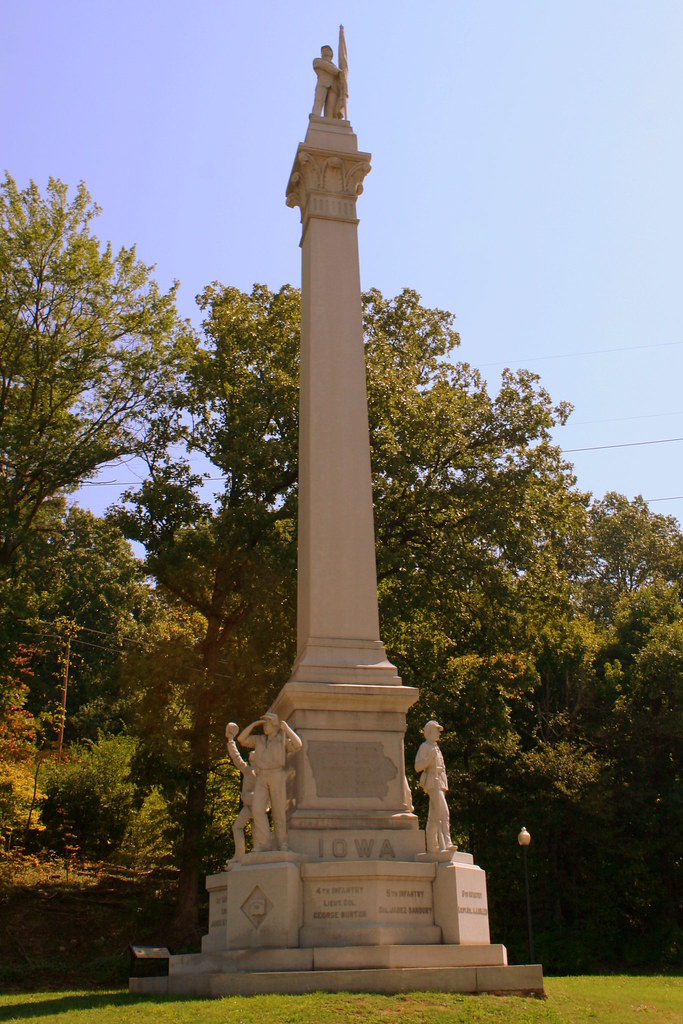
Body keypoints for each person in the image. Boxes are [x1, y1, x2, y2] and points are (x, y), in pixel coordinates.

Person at [238, 712, 302, 852]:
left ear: (274, 725)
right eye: (264, 723)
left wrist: (287, 729)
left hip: (276, 774)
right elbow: (242, 739)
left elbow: (298, 744)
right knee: (257, 809)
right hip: (262, 776)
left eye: (267, 723)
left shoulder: (281, 739)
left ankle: (282, 843)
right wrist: (254, 725)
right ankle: (264, 843)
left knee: (278, 812)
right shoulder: (259, 740)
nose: (264, 726)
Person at [414, 720, 456, 853]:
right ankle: (447, 843)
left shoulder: (436, 747)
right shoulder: (425, 747)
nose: (439, 733)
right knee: (443, 812)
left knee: (433, 816)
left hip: (440, 782)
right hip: (433, 782)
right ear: (430, 732)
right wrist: (429, 760)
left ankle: (432, 845)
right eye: (436, 730)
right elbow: (417, 767)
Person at [225, 722, 261, 860]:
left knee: (237, 827)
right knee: (256, 831)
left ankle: (240, 855)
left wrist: (230, 741)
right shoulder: (263, 773)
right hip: (260, 807)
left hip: (250, 806)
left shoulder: (248, 770)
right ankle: (258, 853)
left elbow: (236, 757)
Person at [311, 45, 341, 118]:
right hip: (322, 84)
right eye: (323, 50)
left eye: (327, 50)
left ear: (332, 54)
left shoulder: (335, 67)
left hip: (334, 87)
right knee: (318, 102)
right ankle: (315, 116)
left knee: (330, 111)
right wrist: (338, 72)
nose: (325, 51)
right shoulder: (318, 61)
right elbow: (326, 66)